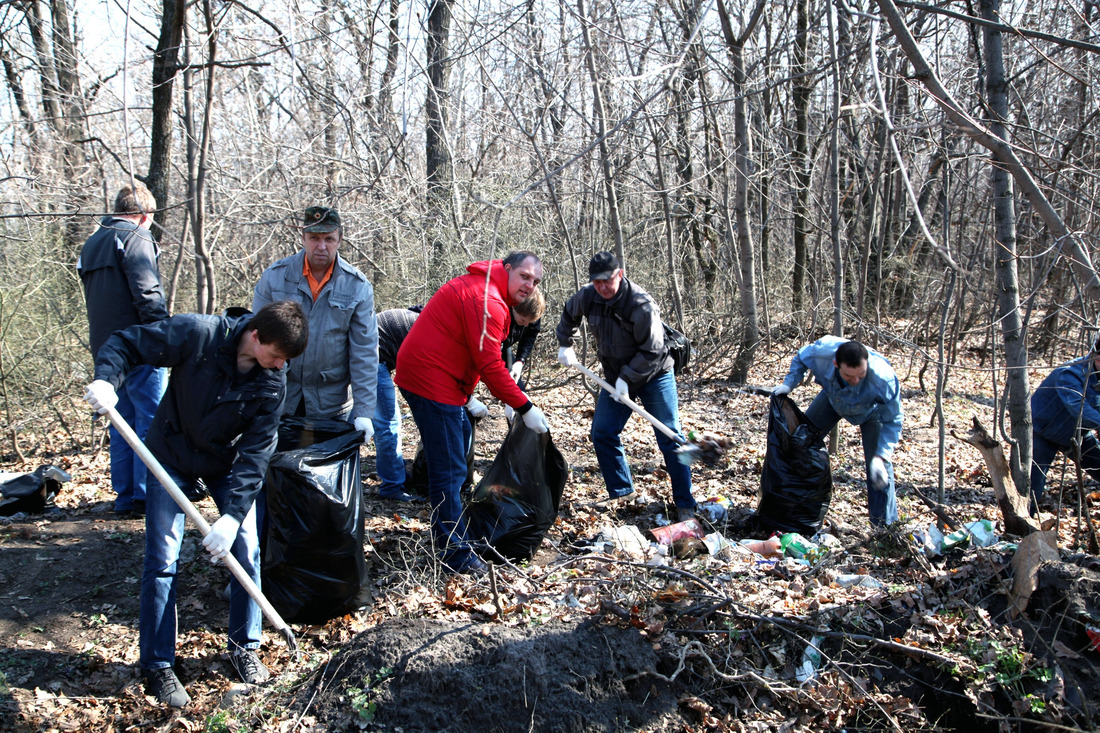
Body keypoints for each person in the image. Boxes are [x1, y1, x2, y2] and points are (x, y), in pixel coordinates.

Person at [81, 301, 308, 708]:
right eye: (275, 356)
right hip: (168, 453)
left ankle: (245, 647)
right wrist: (106, 381)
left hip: (222, 460)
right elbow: (126, 343)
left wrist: (234, 516)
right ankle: (158, 664)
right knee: (163, 558)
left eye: (284, 361)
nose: (278, 366)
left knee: (247, 548)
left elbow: (257, 452)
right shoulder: (198, 334)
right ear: (255, 336)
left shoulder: (274, 381)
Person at [395, 252, 550, 574]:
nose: (529, 285)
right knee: (450, 470)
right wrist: (524, 405)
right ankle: (455, 555)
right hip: (430, 381)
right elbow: (491, 365)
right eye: (524, 276)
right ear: (507, 270)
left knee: (451, 463)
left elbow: (473, 352)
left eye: (535, 281)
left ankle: (453, 537)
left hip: (437, 378)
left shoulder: (486, 289)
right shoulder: (488, 302)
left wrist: (469, 395)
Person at [556, 251, 698, 521]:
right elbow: (568, 313)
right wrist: (565, 344)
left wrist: (627, 378)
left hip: (654, 375)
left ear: (619, 275)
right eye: (596, 282)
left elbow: (654, 350)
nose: (602, 288)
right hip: (615, 376)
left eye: (607, 281)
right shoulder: (588, 296)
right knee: (603, 432)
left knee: (670, 437)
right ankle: (622, 492)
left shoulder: (641, 303)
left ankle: (685, 503)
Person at [77, 182, 169, 516]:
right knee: (150, 419)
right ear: (145, 216)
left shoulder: (91, 243)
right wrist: (165, 334)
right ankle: (148, 495)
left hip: (105, 350)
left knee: (120, 420)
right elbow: (147, 293)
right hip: (139, 346)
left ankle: (127, 497)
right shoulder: (136, 237)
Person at [253, 206, 378, 441]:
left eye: (329, 239)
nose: (321, 246)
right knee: (277, 472)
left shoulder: (357, 286)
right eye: (314, 238)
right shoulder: (275, 277)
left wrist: (363, 412)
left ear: (340, 239)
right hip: (279, 395)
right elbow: (255, 337)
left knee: (323, 474)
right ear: (303, 238)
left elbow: (365, 352)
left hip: (330, 401)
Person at [772, 336, 902, 527]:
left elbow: (893, 420)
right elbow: (800, 357)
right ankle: (792, 510)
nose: (856, 381)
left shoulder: (883, 379)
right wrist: (789, 383)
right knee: (800, 442)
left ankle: (884, 528)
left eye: (861, 375)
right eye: (849, 376)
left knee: (879, 472)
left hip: (871, 412)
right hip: (833, 399)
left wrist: (882, 456)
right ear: (835, 364)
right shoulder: (822, 354)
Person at [1030, 339, 1100, 514]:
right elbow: (1079, 409)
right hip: (1042, 432)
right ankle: (1023, 528)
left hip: (1077, 434)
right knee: (1033, 486)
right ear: (1097, 358)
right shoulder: (1069, 374)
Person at [373, 307, 421, 501]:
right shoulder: (429, 330)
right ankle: (392, 486)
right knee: (388, 425)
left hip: (373, 355)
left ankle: (396, 476)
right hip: (371, 359)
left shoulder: (425, 318)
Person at [502, 287, 545, 389]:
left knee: (517, 389)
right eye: (522, 320)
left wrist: (520, 361)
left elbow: (529, 337)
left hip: (504, 349)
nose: (526, 325)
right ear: (513, 308)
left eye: (529, 322)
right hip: (483, 351)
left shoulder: (532, 315)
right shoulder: (500, 313)